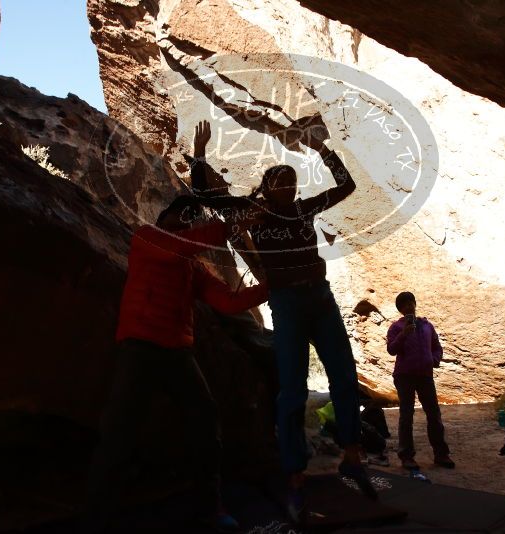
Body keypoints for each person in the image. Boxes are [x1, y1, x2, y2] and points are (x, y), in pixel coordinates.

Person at [82, 193, 267, 533]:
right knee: (118, 431)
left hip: (178, 352)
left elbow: (228, 302)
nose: (186, 220)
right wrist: (231, 226)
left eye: (191, 217)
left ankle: (209, 507)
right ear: (164, 216)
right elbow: (182, 246)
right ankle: (98, 518)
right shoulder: (147, 238)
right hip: (139, 346)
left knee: (205, 423)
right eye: (181, 214)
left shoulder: (193, 267)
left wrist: (272, 287)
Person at [246, 123, 377, 523]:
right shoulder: (254, 217)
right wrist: (199, 157)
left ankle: (352, 456)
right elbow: (217, 203)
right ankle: (296, 474)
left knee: (343, 374)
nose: (289, 187)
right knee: (292, 389)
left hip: (320, 298)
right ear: (267, 189)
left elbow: (347, 186)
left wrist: (322, 149)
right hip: (287, 302)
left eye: (292, 181)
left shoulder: (304, 208)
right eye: (280, 181)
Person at [386, 291, 454, 470]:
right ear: (400, 309)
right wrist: (404, 334)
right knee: (406, 415)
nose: (409, 306)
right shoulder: (395, 327)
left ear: (415, 304)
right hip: (404, 376)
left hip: (425, 375)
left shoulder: (427, 326)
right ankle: (406, 456)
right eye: (404, 304)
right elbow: (391, 350)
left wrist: (434, 360)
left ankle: (441, 454)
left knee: (434, 414)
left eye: (411, 302)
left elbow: (437, 347)